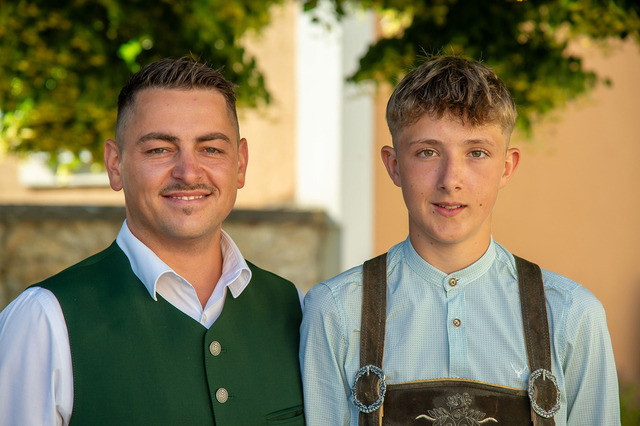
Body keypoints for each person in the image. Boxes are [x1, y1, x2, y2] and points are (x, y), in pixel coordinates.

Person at [299, 55, 619, 425]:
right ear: (394, 165)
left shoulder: (571, 315)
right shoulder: (336, 312)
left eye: (476, 153)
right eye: (427, 152)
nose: (450, 179)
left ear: (507, 167)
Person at [0, 57, 304, 425]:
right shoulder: (43, 321)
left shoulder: (294, 309)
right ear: (115, 165)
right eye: (159, 149)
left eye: (211, 149)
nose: (188, 172)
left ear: (240, 164)